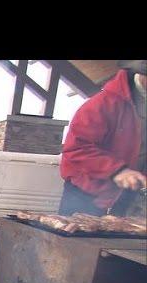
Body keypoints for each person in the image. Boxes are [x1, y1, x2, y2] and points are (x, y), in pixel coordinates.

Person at [59, 60, 147, 217]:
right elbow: (77, 148)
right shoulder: (103, 103)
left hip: (129, 198)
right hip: (87, 194)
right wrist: (118, 171)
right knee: (76, 239)